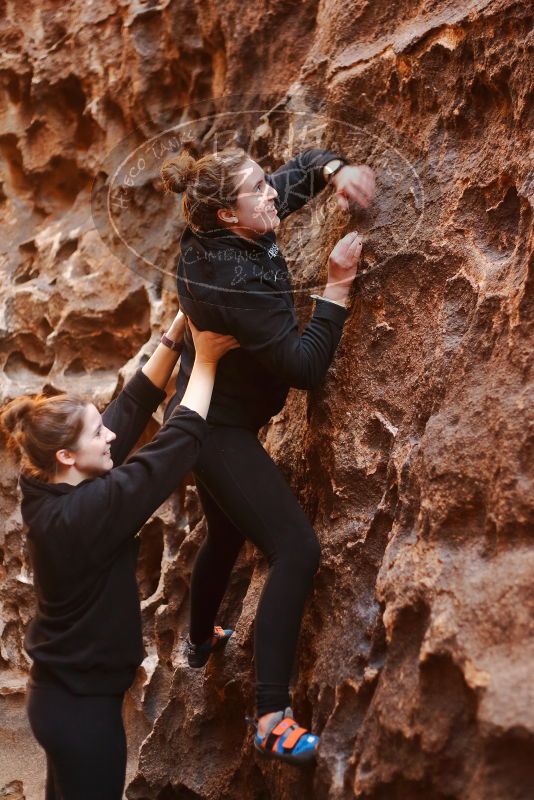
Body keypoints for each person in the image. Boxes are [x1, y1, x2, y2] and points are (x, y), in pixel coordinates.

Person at [160, 145, 374, 765]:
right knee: (295, 549)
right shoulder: (235, 284)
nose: (272, 192)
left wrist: (337, 173)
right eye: (259, 189)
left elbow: (300, 169)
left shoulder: (226, 218)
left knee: (225, 535)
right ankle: (271, 717)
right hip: (216, 430)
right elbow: (305, 367)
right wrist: (337, 286)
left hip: (207, 411)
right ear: (230, 215)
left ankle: (200, 642)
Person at [0, 311, 238, 800]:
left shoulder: (44, 482)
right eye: (96, 433)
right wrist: (208, 361)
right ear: (67, 455)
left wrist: (177, 332)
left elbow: (128, 410)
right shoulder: (83, 516)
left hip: (61, 696)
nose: (109, 435)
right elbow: (170, 451)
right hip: (81, 710)